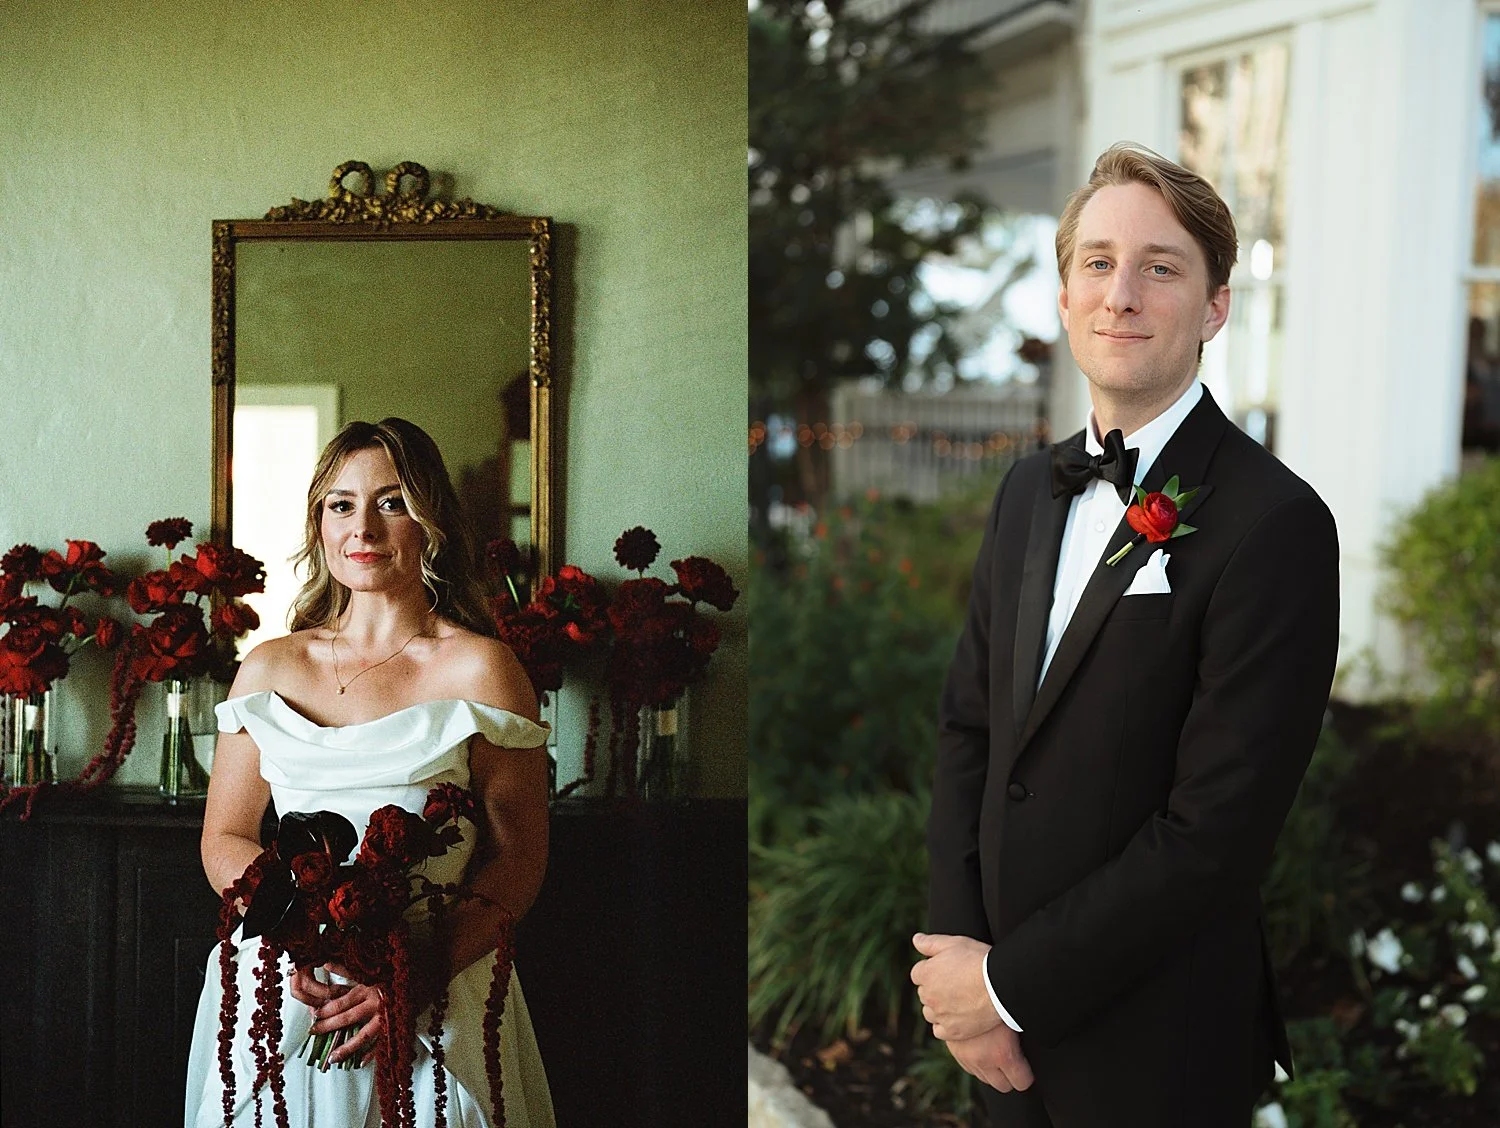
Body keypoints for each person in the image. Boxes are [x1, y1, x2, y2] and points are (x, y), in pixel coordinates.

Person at [912, 143, 1340, 1126]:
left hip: (1160, 1044)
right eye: (1097, 262)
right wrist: (959, 969)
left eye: (1161, 266)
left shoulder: (1276, 524)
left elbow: (1216, 835)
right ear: (1064, 298)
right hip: (999, 1038)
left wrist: (1009, 983)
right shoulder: (1030, 488)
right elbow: (969, 730)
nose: (1123, 293)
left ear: (1215, 306)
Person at [184, 417, 556, 1128]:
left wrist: (410, 973)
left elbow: (520, 859)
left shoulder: (483, 669)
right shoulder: (270, 666)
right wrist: (306, 934)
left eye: (391, 503)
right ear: (320, 523)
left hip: (437, 983)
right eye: (341, 504)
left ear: (431, 521)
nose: (364, 528)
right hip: (288, 982)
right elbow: (225, 836)